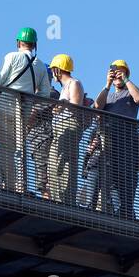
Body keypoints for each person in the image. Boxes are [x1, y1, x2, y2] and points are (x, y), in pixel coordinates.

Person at [0, 27, 52, 192]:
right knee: (19, 149)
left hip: (3, 108)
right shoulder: (40, 65)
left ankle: (9, 187)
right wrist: (32, 104)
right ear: (34, 44)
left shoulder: (11, 57)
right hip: (23, 113)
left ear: (18, 42)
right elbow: (45, 93)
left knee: (6, 149)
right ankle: (21, 186)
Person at [93, 60, 139, 219]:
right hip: (109, 140)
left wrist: (126, 80)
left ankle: (127, 211)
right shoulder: (107, 94)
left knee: (127, 175)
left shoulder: (130, 91)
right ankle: (116, 211)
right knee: (110, 176)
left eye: (121, 72)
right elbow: (96, 107)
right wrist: (107, 84)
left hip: (127, 139)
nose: (117, 75)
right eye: (115, 72)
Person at [47, 55, 84, 206]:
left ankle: (66, 202)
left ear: (58, 69)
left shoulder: (74, 83)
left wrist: (63, 104)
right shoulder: (64, 87)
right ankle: (58, 199)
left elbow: (75, 105)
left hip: (68, 126)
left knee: (65, 164)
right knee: (54, 165)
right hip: (60, 128)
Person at [27, 88, 59, 199]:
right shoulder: (48, 93)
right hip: (38, 139)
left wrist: (25, 125)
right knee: (43, 175)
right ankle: (48, 201)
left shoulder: (49, 93)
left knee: (44, 175)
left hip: (43, 138)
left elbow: (33, 114)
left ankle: (48, 203)